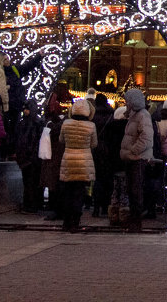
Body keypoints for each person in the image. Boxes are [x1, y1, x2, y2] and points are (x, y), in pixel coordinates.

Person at [58, 97, 97, 232]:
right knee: (79, 193)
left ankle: (66, 221)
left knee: (68, 191)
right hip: (84, 161)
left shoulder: (66, 124)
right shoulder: (91, 126)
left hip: (68, 159)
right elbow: (94, 144)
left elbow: (61, 140)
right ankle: (75, 221)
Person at [118, 88, 152, 232]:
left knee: (136, 190)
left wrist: (133, 151)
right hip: (132, 158)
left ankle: (136, 222)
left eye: (127, 101)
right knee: (132, 190)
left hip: (137, 158)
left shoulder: (142, 115)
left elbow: (146, 137)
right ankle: (133, 219)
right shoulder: (134, 115)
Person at [14, 100, 45, 214]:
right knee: (31, 182)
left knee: (30, 182)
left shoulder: (27, 123)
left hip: (29, 157)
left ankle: (31, 204)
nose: (25, 111)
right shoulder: (37, 122)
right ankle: (33, 204)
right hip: (32, 157)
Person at [104, 103, 129, 226]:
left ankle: (113, 214)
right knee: (124, 190)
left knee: (115, 190)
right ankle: (123, 215)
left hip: (112, 163)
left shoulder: (109, 128)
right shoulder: (128, 128)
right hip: (125, 162)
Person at [89, 93, 114, 217]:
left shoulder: (92, 116)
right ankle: (105, 207)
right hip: (108, 150)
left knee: (97, 179)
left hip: (96, 150)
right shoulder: (111, 115)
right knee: (108, 179)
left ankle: (96, 208)